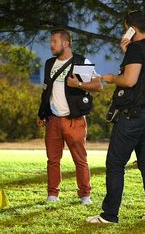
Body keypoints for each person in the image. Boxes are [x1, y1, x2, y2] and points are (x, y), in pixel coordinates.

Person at [87, 11, 145, 224]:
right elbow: (144, 76)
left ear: (131, 28)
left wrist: (111, 77)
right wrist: (127, 51)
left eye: (126, 27)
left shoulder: (136, 49)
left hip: (132, 116)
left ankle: (109, 215)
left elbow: (129, 81)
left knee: (114, 164)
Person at [37, 29, 103, 205]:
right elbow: (46, 91)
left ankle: (85, 195)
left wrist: (79, 84)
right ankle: (53, 194)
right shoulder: (49, 64)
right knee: (52, 160)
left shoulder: (81, 62)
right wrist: (41, 113)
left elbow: (98, 85)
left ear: (65, 43)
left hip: (74, 120)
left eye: (54, 41)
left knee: (80, 160)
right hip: (53, 120)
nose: (51, 45)